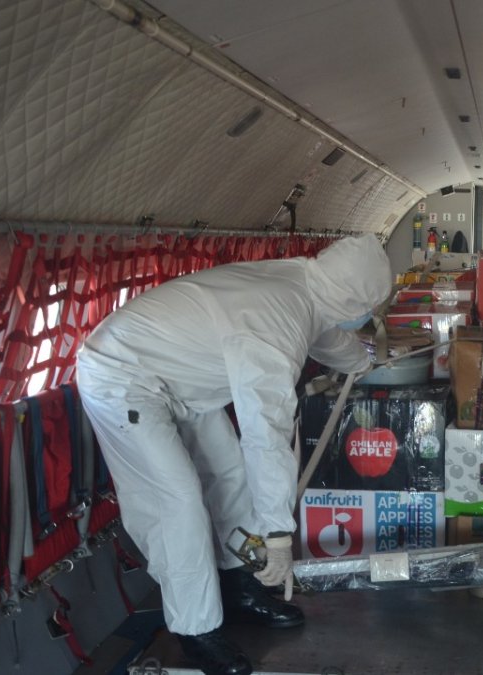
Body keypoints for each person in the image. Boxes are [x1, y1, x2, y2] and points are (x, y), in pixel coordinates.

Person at [77, 235, 391, 675]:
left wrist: (359, 361)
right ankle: (194, 629)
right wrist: (279, 534)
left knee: (230, 474)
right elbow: (266, 434)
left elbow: (323, 331)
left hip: (178, 379)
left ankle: (238, 584)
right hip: (122, 374)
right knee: (179, 500)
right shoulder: (276, 320)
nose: (365, 317)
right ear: (353, 299)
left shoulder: (307, 283)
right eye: (367, 309)